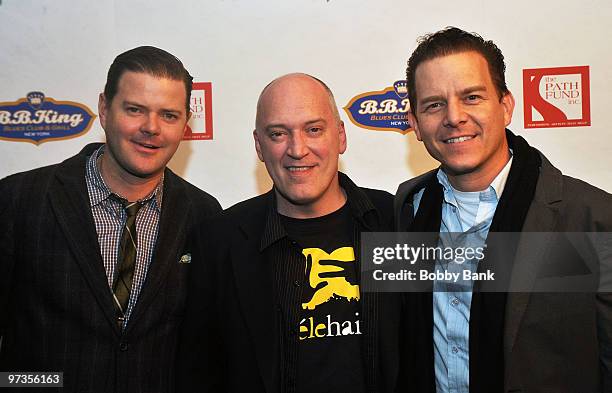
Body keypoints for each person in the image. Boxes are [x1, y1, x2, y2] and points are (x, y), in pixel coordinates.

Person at [394, 27, 612, 393]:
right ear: (415, 123)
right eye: (434, 104)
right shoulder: (406, 207)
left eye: (472, 97)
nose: (454, 117)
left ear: (506, 106)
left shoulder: (592, 217)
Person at [0, 46, 221, 392]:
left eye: (168, 115)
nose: (151, 128)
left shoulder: (203, 214)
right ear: (104, 109)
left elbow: (205, 348)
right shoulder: (19, 200)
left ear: (184, 125)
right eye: (135, 110)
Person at [177, 73, 402, 393]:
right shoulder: (219, 242)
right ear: (259, 145)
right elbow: (198, 373)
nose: (297, 149)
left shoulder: (394, 222)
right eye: (278, 133)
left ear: (340, 136)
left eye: (314, 129)